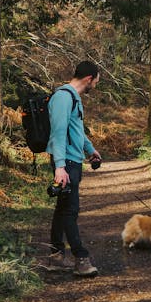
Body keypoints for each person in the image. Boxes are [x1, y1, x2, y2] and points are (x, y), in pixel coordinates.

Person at [46, 60, 101, 276]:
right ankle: (81, 259)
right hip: (66, 162)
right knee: (70, 210)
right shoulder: (62, 97)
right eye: (95, 82)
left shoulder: (73, 98)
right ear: (89, 79)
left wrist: (90, 149)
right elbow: (58, 133)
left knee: (63, 209)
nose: (94, 86)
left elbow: (76, 130)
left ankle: (55, 257)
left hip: (73, 161)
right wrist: (60, 167)